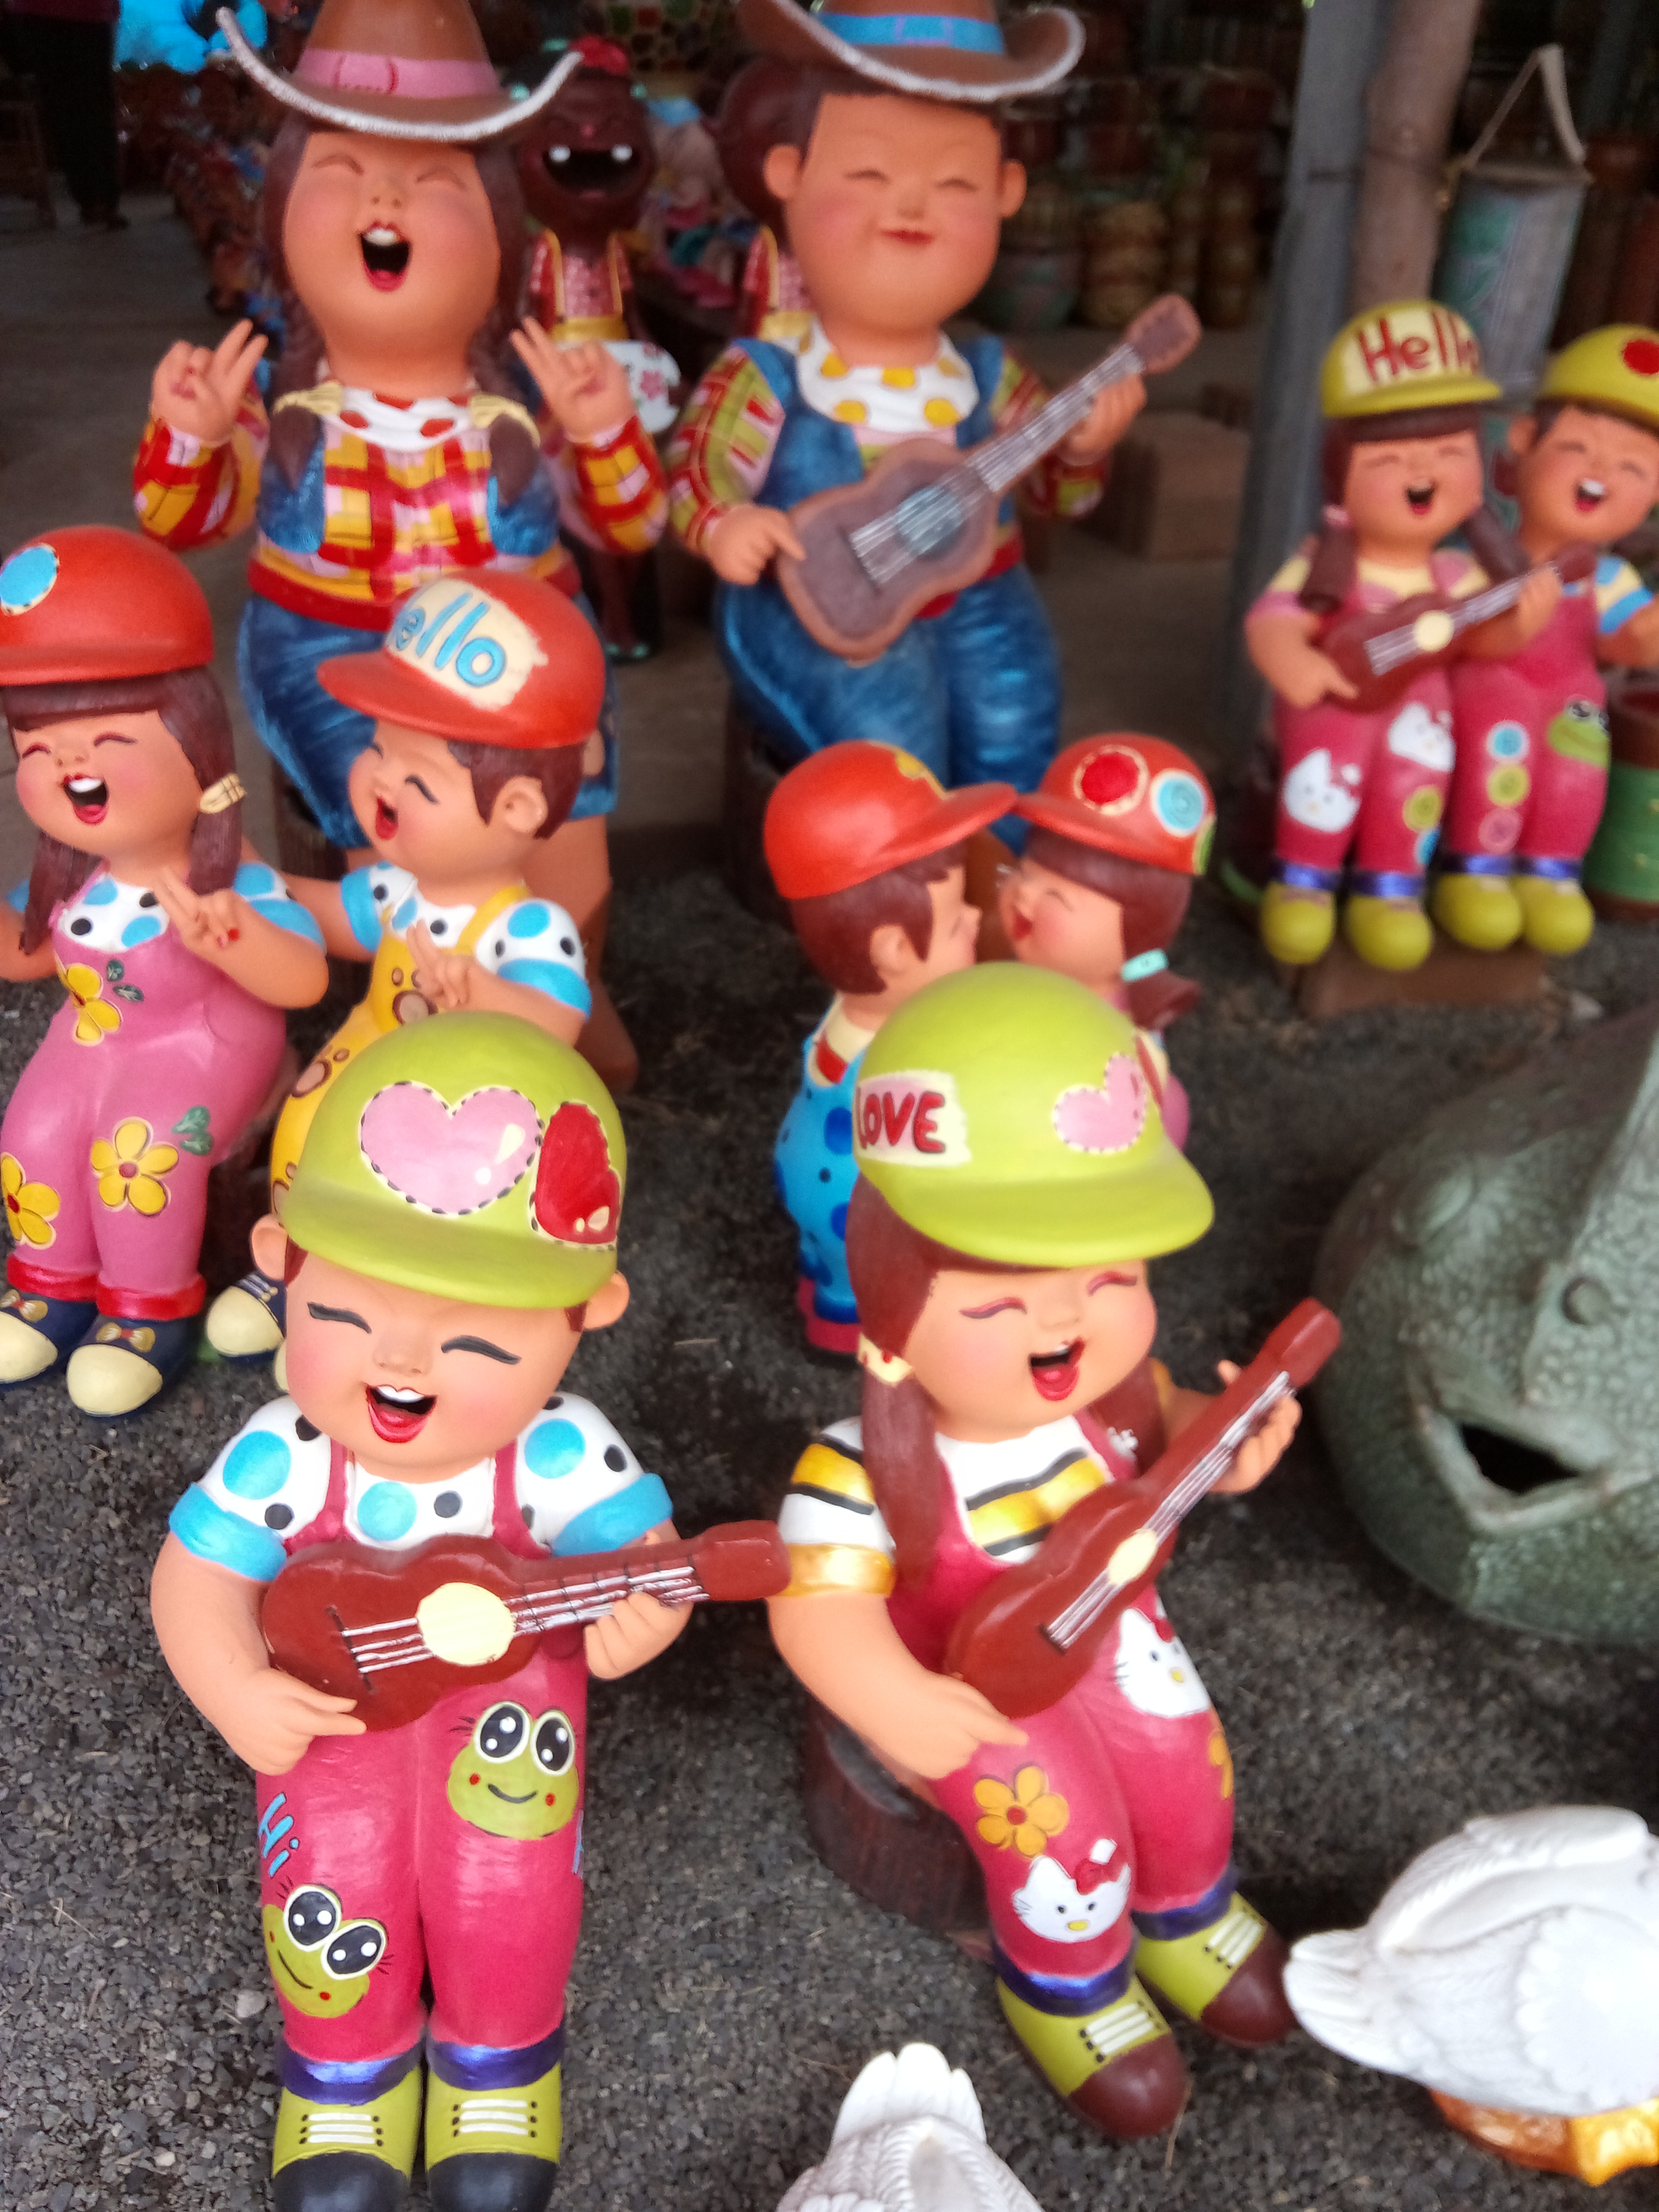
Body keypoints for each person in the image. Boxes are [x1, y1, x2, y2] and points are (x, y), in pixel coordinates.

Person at [152, 1012, 689, 2212]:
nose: (401, 1361)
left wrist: (647, 1611)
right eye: (346, 1317)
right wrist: (231, 1686)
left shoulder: (558, 1453)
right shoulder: (287, 1452)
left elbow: (647, 1561)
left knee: (512, 1888)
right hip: (328, 1713)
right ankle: (344, 2073)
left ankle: (502, 2057)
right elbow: (197, 1575)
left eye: (475, 1339)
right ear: (283, 1264)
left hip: (511, 1727)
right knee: (326, 1888)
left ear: (586, 1315)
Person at [768, 963, 1302, 2139]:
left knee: (1184, 1756)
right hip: (971, 1683)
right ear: (894, 1314)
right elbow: (814, 1604)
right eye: (998, 1304)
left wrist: (1233, 1447)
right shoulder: (863, 1471)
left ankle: (1188, 1908)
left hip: (1114, 1634)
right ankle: (1072, 1982)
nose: (1065, 1320)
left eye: (1112, 1280)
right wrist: (891, 1698)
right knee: (1061, 1825)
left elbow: (1180, 1440)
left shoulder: (1114, 1407)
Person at [132, 0, 662, 1085]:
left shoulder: (525, 409)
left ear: (505, 241)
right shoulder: (279, 416)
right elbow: (181, 524)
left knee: (570, 841)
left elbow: (632, 527)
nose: (383, 201)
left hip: (529, 670)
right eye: (341, 171)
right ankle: (432, 1033)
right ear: (282, 221)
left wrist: (606, 429)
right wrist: (193, 438)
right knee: (412, 845)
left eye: (433, 182)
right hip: (345, 665)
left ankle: (563, 999)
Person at [666, 0, 1140, 816]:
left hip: (982, 595)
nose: (911, 207)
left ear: (1007, 192)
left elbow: (1058, 497)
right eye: (868, 176)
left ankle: (998, 877)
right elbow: (699, 465)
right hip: (820, 605)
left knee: (1015, 723)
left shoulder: (990, 376)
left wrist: (1086, 449)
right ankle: (898, 892)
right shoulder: (772, 373)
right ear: (790, 174)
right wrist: (722, 522)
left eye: (955, 184)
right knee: (891, 748)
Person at [205, 568, 608, 1365]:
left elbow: (561, 1018)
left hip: (466, 1095)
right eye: (379, 750)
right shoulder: (398, 887)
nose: (380, 780)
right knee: (308, 1134)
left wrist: (487, 995)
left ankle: (372, 1300)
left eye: (417, 779)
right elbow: (328, 915)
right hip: (369, 1049)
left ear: (519, 810)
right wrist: (248, 872)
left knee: (419, 1195)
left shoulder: (528, 926)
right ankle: (295, 1264)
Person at [0, 526, 327, 1417]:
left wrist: (235, 940)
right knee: (34, 1130)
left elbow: (303, 980)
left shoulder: (229, 877)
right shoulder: (73, 879)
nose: (71, 765)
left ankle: (148, 1310)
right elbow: (26, 956)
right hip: (94, 1040)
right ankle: (51, 1282)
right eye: (38, 749)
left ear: (198, 750)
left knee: (136, 1149)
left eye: (108, 740)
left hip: (205, 1043)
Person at [1245, 300, 1557, 971]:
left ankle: (1391, 889)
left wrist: (1520, 624)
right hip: (1333, 705)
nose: (1425, 472)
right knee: (1328, 774)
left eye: (1450, 453)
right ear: (1341, 476)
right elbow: (1274, 616)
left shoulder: (1455, 574)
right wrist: (1291, 656)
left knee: (1419, 780)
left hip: (1422, 706)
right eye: (1391, 458)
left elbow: (1480, 645)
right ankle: (1303, 881)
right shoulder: (1328, 564)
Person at [767, 740, 1011, 1352]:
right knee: (864, 1273)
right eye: (956, 920)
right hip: (857, 1202)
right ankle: (844, 1329)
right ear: (895, 951)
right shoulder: (910, 1057)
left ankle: (818, 1285)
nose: (976, 920)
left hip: (805, 1163)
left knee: (825, 1259)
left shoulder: (851, 1009)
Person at [1436, 324, 1659, 957]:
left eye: (1633, 467)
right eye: (1578, 448)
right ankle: (1475, 867)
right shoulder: (1487, 564)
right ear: (1525, 441)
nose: (1601, 473)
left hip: (1573, 692)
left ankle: (1550, 871)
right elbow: (1458, 640)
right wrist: (1511, 630)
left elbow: (1620, 646)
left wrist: (1642, 640)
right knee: (1501, 744)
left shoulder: (1609, 579)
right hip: (1495, 684)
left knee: (1578, 765)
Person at [1000, 733, 1213, 1148]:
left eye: (1057, 897)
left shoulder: (1112, 1045)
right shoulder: (1021, 979)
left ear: (1139, 931)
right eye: (1023, 873)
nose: (1023, 895)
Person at [4, 0, 124, 227]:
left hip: (61, 12)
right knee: (84, 104)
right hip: (64, 13)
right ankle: (98, 198)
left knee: (72, 105)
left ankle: (95, 198)